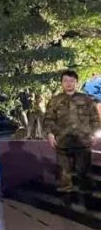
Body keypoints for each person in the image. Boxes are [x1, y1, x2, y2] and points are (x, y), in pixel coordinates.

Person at [42, 69, 101, 207]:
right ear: (62, 83)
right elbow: (49, 119)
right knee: (64, 173)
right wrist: (50, 134)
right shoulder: (55, 100)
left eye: (72, 81)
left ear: (76, 82)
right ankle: (66, 199)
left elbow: (95, 118)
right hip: (62, 141)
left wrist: (95, 134)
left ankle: (87, 197)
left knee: (84, 171)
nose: (69, 84)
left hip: (83, 141)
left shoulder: (87, 100)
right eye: (66, 81)